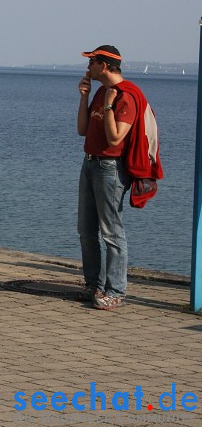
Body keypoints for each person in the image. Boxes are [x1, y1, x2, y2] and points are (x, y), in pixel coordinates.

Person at [77, 44, 149, 310]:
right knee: (86, 230)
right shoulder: (99, 92)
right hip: (89, 163)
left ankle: (116, 291)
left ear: (104, 66)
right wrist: (84, 97)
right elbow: (82, 130)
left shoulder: (126, 96)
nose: (88, 67)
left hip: (111, 168)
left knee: (111, 232)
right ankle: (92, 284)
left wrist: (108, 104)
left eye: (92, 62)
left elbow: (116, 137)